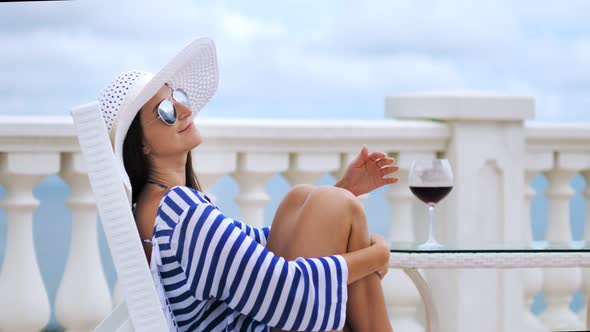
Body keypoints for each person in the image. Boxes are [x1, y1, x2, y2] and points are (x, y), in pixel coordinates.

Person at [98, 38, 399, 332]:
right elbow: (286, 292)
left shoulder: (156, 208)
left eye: (179, 98)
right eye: (166, 111)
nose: (185, 111)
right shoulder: (180, 213)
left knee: (300, 200)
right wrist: (376, 256)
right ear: (141, 146)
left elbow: (257, 252)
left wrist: (344, 187)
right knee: (335, 205)